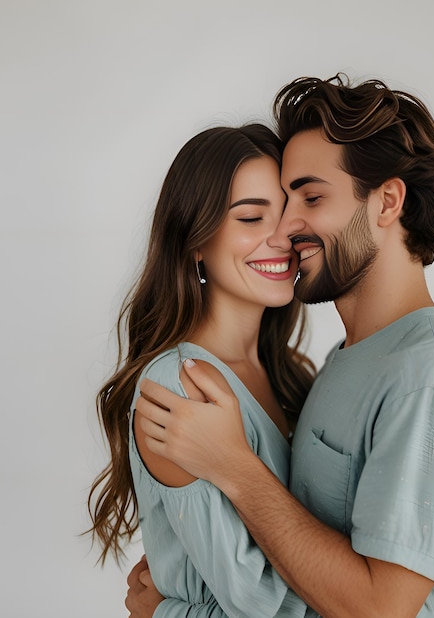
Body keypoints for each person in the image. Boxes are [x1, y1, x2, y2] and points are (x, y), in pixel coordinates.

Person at [131, 75, 434, 617]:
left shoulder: (426, 384)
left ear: (387, 202)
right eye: (267, 210)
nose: (288, 228)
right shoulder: (333, 366)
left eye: (309, 197)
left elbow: (375, 612)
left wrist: (170, 612)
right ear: (194, 242)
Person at [87, 124, 320, 616]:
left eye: (290, 215)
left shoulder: (293, 375)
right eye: (252, 217)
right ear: (195, 241)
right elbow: (260, 605)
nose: (282, 238)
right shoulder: (178, 387)